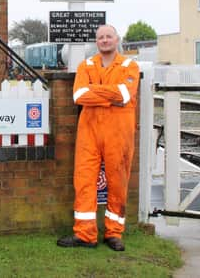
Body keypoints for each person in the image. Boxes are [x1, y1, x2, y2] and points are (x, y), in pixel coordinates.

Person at [57, 25, 140, 252]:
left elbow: (125, 95)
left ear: (116, 39)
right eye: (101, 37)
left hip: (119, 133)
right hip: (89, 132)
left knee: (117, 182)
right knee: (83, 181)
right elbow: (79, 95)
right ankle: (85, 234)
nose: (104, 40)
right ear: (96, 41)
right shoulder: (86, 65)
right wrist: (111, 96)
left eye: (108, 37)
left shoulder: (129, 65)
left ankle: (114, 233)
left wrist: (95, 91)